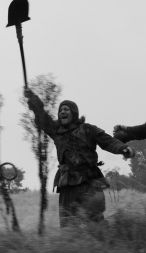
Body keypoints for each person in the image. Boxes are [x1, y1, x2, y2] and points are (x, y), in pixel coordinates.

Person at [24, 89, 133, 227]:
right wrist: (34, 101)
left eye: (66, 109)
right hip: (67, 184)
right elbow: (43, 119)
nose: (62, 112)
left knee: (96, 223)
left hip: (89, 182)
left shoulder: (88, 129)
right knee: (68, 225)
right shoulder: (57, 132)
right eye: (60, 110)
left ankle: (103, 245)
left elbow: (108, 141)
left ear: (74, 113)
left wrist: (122, 148)